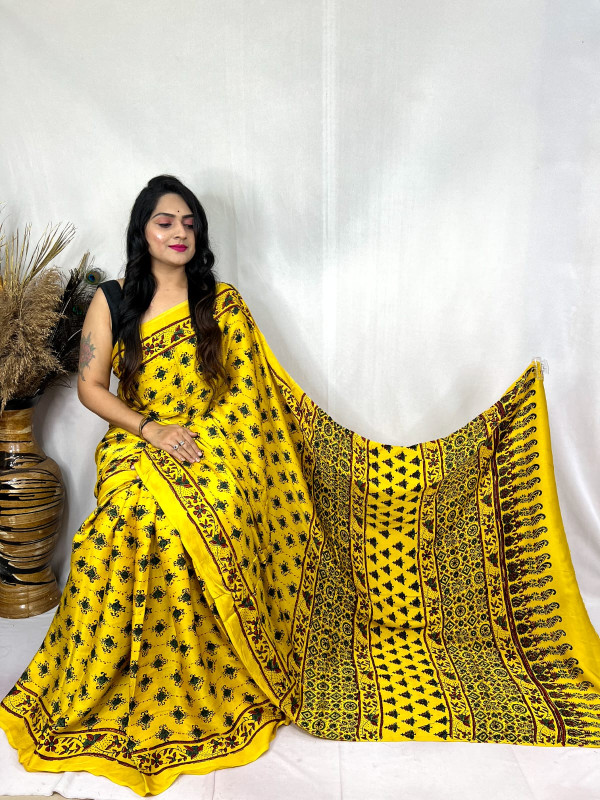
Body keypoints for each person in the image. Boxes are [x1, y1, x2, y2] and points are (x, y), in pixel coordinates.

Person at [1, 176, 599, 797]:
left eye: (189, 224)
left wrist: (213, 446)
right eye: (165, 223)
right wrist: (153, 429)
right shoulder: (114, 298)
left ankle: (212, 670)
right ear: (142, 231)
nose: (179, 234)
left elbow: (252, 399)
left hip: (214, 440)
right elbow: (93, 389)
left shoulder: (219, 302)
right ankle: (110, 672)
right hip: (139, 439)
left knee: (224, 511)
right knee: (134, 517)